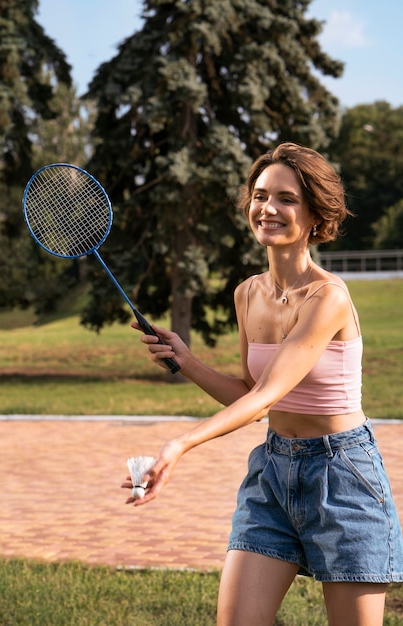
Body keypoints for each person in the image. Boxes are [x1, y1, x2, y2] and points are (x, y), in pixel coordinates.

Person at [123, 142, 403, 626]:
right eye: (259, 195)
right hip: (273, 471)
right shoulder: (247, 293)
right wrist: (187, 362)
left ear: (315, 214)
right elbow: (251, 391)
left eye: (286, 199)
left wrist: (180, 444)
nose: (267, 208)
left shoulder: (328, 297)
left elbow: (262, 398)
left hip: (343, 476)